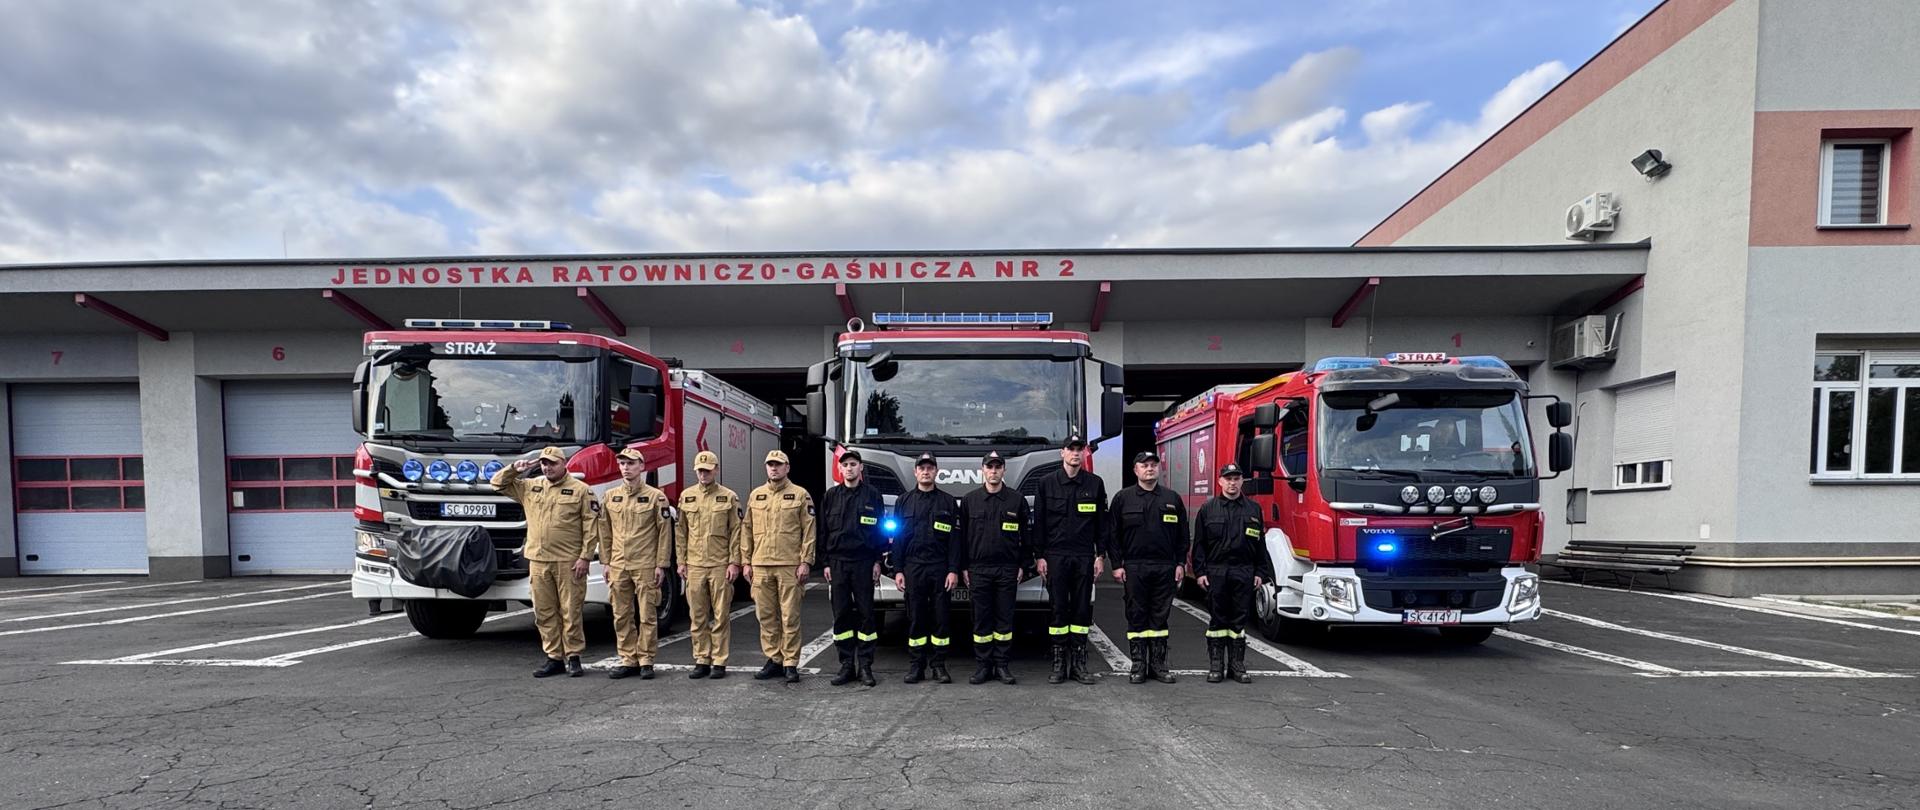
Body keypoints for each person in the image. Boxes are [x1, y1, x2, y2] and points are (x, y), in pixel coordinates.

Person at [490, 445, 603, 678]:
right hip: (539, 561)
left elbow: (591, 527)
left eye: (552, 463)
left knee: (570, 611)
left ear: (563, 464)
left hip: (568, 561)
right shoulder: (531, 486)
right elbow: (497, 484)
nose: (547, 467)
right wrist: (515, 468)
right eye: (543, 463)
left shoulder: (581, 490)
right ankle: (554, 657)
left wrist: (585, 557)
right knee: (544, 611)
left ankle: (573, 656)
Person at [1032, 433, 1108, 685]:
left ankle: (1078, 663)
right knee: (1057, 610)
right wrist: (1039, 556)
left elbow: (1102, 524)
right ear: (1062, 453)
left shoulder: (1095, 484)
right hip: (1055, 556)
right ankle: (1059, 663)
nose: (1076, 453)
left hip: (1084, 556)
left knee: (1081, 610)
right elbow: (1039, 523)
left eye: (1079, 449)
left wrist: (1100, 555)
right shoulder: (1046, 483)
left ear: (1084, 453)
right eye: (1071, 449)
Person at [1108, 450, 1187, 685]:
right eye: (1144, 465)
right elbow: (1113, 535)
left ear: (1158, 469)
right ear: (1136, 470)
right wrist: (1116, 565)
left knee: (1160, 616)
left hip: (1165, 566)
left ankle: (1158, 665)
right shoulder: (1123, 498)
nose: (1149, 468)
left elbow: (1183, 535)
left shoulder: (1172, 499)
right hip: (1134, 566)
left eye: (1153, 464)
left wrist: (1180, 563)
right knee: (1136, 614)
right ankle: (1139, 665)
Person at [1190, 463, 1273, 684]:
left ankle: (1237, 665)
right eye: (1228, 479)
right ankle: (1216, 665)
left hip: (1243, 571)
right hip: (1216, 572)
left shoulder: (1253, 509)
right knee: (1218, 620)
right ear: (1220, 481)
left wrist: (1260, 571)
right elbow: (1199, 545)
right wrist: (1200, 572)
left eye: (1236, 479)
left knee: (1239, 621)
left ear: (1242, 481)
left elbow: (1260, 545)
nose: (1232, 483)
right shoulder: (1208, 509)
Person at [600, 447, 675, 680]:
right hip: (618, 564)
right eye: (622, 463)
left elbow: (664, 533)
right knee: (621, 614)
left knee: (647, 615)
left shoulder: (656, 497)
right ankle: (628, 659)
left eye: (631, 463)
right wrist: (606, 562)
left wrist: (661, 564)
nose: (626, 468)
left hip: (645, 563)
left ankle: (646, 660)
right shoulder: (610, 496)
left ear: (641, 466)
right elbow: (605, 531)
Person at [743, 450, 816, 684]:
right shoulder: (756, 495)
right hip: (761, 564)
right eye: (770, 465)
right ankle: (774, 659)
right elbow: (747, 530)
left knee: (790, 616)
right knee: (766, 616)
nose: (774, 468)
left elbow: (809, 531)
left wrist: (806, 561)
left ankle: (790, 662)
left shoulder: (800, 495)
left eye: (778, 464)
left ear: (787, 467)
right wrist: (746, 561)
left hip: (789, 565)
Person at [959, 451, 1031, 685]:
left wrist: (1023, 565)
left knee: (1004, 620)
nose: (993, 471)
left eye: (997, 467)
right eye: (989, 467)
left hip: (1007, 569)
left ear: (1003, 470)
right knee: (981, 620)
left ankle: (1002, 665)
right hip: (978, 569)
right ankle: (983, 666)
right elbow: (962, 538)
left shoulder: (1016, 500)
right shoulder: (970, 500)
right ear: (982, 470)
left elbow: (1026, 536)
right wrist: (963, 566)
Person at [818, 449, 888, 687]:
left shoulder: (873, 495)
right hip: (838, 563)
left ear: (861, 468)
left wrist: (877, 561)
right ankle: (846, 664)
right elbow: (823, 531)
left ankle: (865, 666)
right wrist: (825, 563)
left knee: (867, 615)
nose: (849, 468)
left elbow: (880, 531)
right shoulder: (830, 496)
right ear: (840, 469)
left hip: (864, 562)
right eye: (845, 464)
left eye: (853, 464)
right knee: (841, 615)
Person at [893, 452, 963, 684]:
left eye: (930, 468)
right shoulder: (903, 501)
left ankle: (939, 666)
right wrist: (898, 569)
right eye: (922, 468)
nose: (926, 472)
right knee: (916, 618)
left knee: (941, 618)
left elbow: (955, 540)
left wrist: (953, 569)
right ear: (915, 472)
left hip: (939, 567)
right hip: (913, 567)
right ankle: (917, 666)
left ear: (936, 472)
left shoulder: (948, 502)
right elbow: (898, 539)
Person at [675, 450, 744, 680]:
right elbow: (681, 532)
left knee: (721, 615)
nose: (703, 474)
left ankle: (719, 661)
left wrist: (734, 562)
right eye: (700, 470)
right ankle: (702, 659)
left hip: (719, 564)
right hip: (694, 565)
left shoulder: (729, 497)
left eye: (707, 470)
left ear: (716, 470)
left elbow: (736, 532)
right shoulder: (687, 497)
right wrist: (681, 561)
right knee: (697, 615)